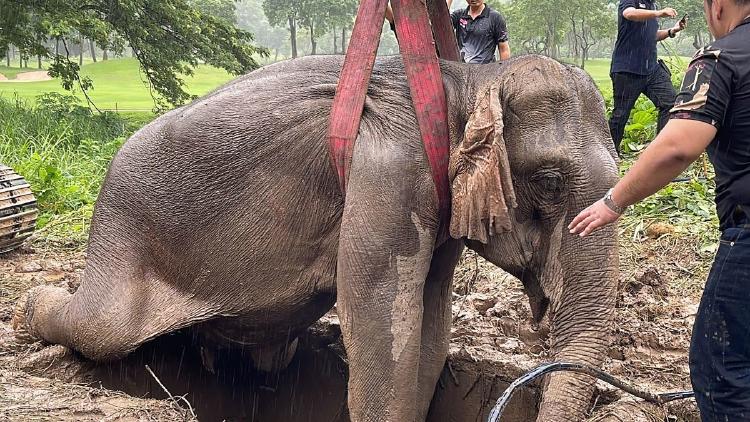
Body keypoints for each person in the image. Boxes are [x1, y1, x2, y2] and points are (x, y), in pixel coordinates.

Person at [569, 0, 750, 419]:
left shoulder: (719, 59)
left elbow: (677, 146)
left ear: (718, 5)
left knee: (721, 367)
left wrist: (613, 201)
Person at [609, 0, 687, 153]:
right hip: (628, 69)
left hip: (651, 69)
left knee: (670, 103)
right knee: (621, 115)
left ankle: (661, 155)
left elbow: (652, 36)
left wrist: (673, 30)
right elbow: (629, 13)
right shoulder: (632, 2)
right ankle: (609, 157)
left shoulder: (652, 5)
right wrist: (659, 13)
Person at [385, 1, 509, 63]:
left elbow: (504, 49)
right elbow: (439, 21)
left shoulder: (495, 18)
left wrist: (502, 73)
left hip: (484, 72)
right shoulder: (459, 15)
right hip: (461, 72)